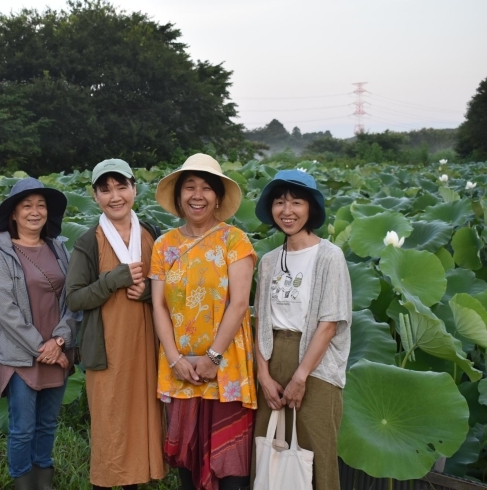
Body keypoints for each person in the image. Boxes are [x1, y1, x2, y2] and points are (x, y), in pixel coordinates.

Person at [149, 153, 257, 490]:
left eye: (206, 188)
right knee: (188, 465)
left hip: (226, 369)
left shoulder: (235, 241)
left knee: (231, 469)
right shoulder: (163, 245)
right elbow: (159, 307)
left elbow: (239, 303)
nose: (198, 195)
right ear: (179, 197)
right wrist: (175, 358)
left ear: (218, 197)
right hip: (180, 368)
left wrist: (213, 357)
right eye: (190, 187)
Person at [65, 159, 167, 490]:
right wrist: (112, 280)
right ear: (95, 196)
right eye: (105, 189)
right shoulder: (89, 241)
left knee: (140, 425)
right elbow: (75, 299)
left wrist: (148, 292)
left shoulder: (152, 233)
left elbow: (170, 289)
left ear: (135, 189)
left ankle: (134, 485)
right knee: (111, 429)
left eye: (122, 186)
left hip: (147, 348)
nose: (115, 196)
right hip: (107, 351)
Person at [251, 169, 351, 490]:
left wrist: (300, 376)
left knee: (314, 452)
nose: (287, 210)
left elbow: (330, 322)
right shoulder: (268, 261)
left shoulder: (329, 256)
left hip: (316, 365)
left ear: (310, 208)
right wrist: (263, 376)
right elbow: (261, 322)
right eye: (279, 202)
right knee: (271, 450)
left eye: (296, 202)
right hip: (273, 355)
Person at [0, 177, 79, 490]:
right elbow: (7, 311)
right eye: (27, 206)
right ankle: (23, 484)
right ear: (14, 213)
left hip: (58, 350)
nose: (35, 212)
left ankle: (44, 483)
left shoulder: (58, 249)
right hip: (22, 355)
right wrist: (44, 348)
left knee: (47, 424)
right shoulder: (1, 254)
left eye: (41, 205)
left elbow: (71, 301)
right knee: (22, 428)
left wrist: (61, 341)